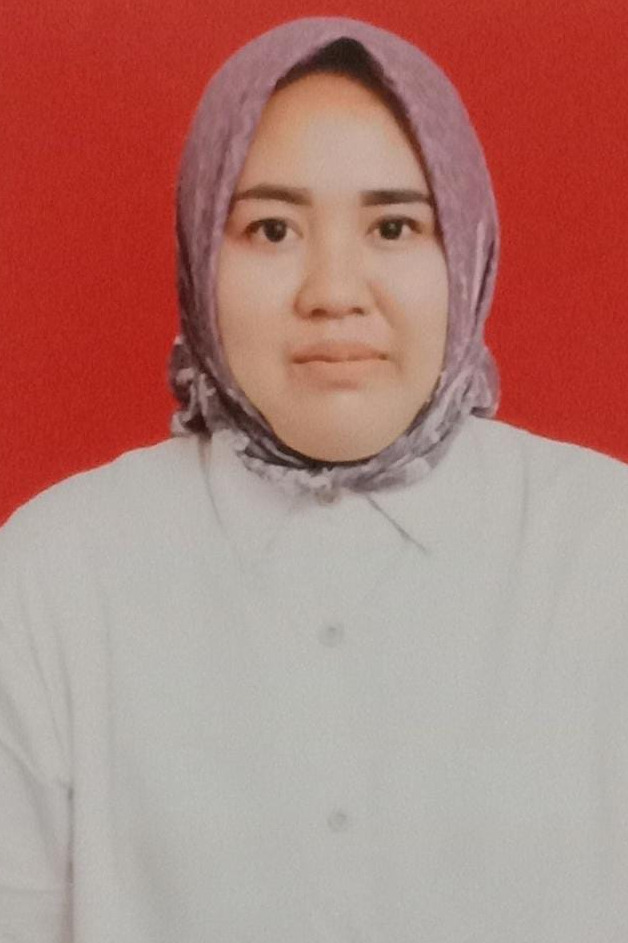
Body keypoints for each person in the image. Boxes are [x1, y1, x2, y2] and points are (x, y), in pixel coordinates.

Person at [0, 15, 627, 943]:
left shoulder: (605, 550)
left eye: (394, 226)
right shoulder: (51, 578)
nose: (334, 291)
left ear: (467, 248)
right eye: (272, 228)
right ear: (199, 253)